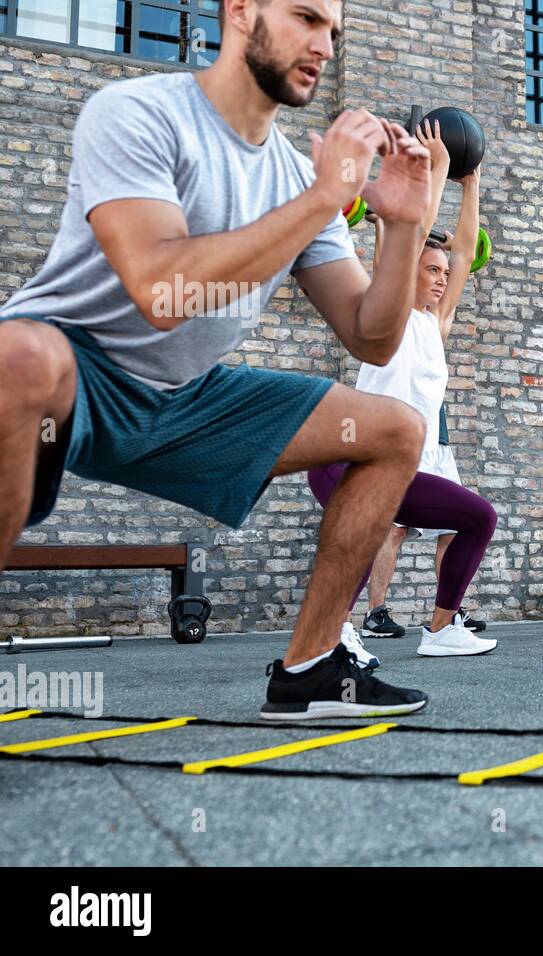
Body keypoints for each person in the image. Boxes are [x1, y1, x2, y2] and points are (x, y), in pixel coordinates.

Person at [0, 0, 442, 719]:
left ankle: (312, 667)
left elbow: (371, 336)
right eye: (305, 18)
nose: (324, 45)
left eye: (334, 31)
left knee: (394, 430)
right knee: (15, 352)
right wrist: (327, 192)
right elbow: (161, 291)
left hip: (185, 400)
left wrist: (400, 226)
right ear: (240, 11)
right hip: (73, 376)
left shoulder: (304, 181)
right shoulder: (137, 112)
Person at [308, 123, 496, 663]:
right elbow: (412, 230)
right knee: (367, 530)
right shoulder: (384, 311)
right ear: (402, 271)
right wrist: (433, 167)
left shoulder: (435, 326)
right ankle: (334, 633)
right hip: (345, 455)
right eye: (429, 270)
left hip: (396, 461)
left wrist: (470, 181)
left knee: (478, 517)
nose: (441, 278)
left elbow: (461, 250)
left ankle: (439, 629)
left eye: (443, 273)